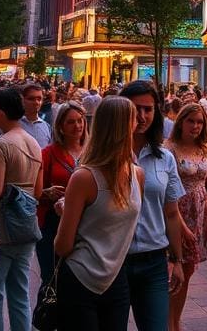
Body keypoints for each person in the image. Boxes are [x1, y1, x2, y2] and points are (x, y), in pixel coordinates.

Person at [54, 97, 143, 331]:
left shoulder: (137, 175)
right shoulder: (85, 177)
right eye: (135, 118)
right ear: (125, 126)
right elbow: (62, 246)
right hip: (81, 280)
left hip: (115, 279)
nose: (140, 121)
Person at [119, 80, 187, 331]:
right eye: (136, 108)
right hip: (114, 260)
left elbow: (171, 212)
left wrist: (177, 260)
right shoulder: (105, 156)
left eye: (148, 109)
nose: (142, 116)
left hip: (153, 262)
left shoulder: (164, 157)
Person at [0, 87, 44, 331]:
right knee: (20, 294)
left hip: (0, 225)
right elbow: (37, 191)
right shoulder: (33, 143)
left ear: (2, 112)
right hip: (26, 224)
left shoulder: (1, 144)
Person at [166, 102, 207, 330]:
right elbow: (168, 191)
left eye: (199, 122)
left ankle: (176, 320)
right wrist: (182, 227)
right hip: (178, 212)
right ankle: (169, 322)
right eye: (190, 121)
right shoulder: (170, 149)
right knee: (175, 272)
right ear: (181, 122)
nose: (195, 126)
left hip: (200, 212)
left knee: (189, 271)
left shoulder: (204, 148)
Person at [37, 101, 87, 285]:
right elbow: (35, 191)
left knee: (76, 280)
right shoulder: (48, 153)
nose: (78, 126)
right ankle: (47, 312)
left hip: (85, 224)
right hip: (52, 224)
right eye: (71, 122)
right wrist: (46, 193)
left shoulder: (92, 153)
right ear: (61, 126)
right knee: (51, 279)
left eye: (80, 121)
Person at [0, 82, 53, 164]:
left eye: (39, 99)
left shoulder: (46, 127)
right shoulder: (3, 123)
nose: (36, 102)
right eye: (31, 99)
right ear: (21, 100)